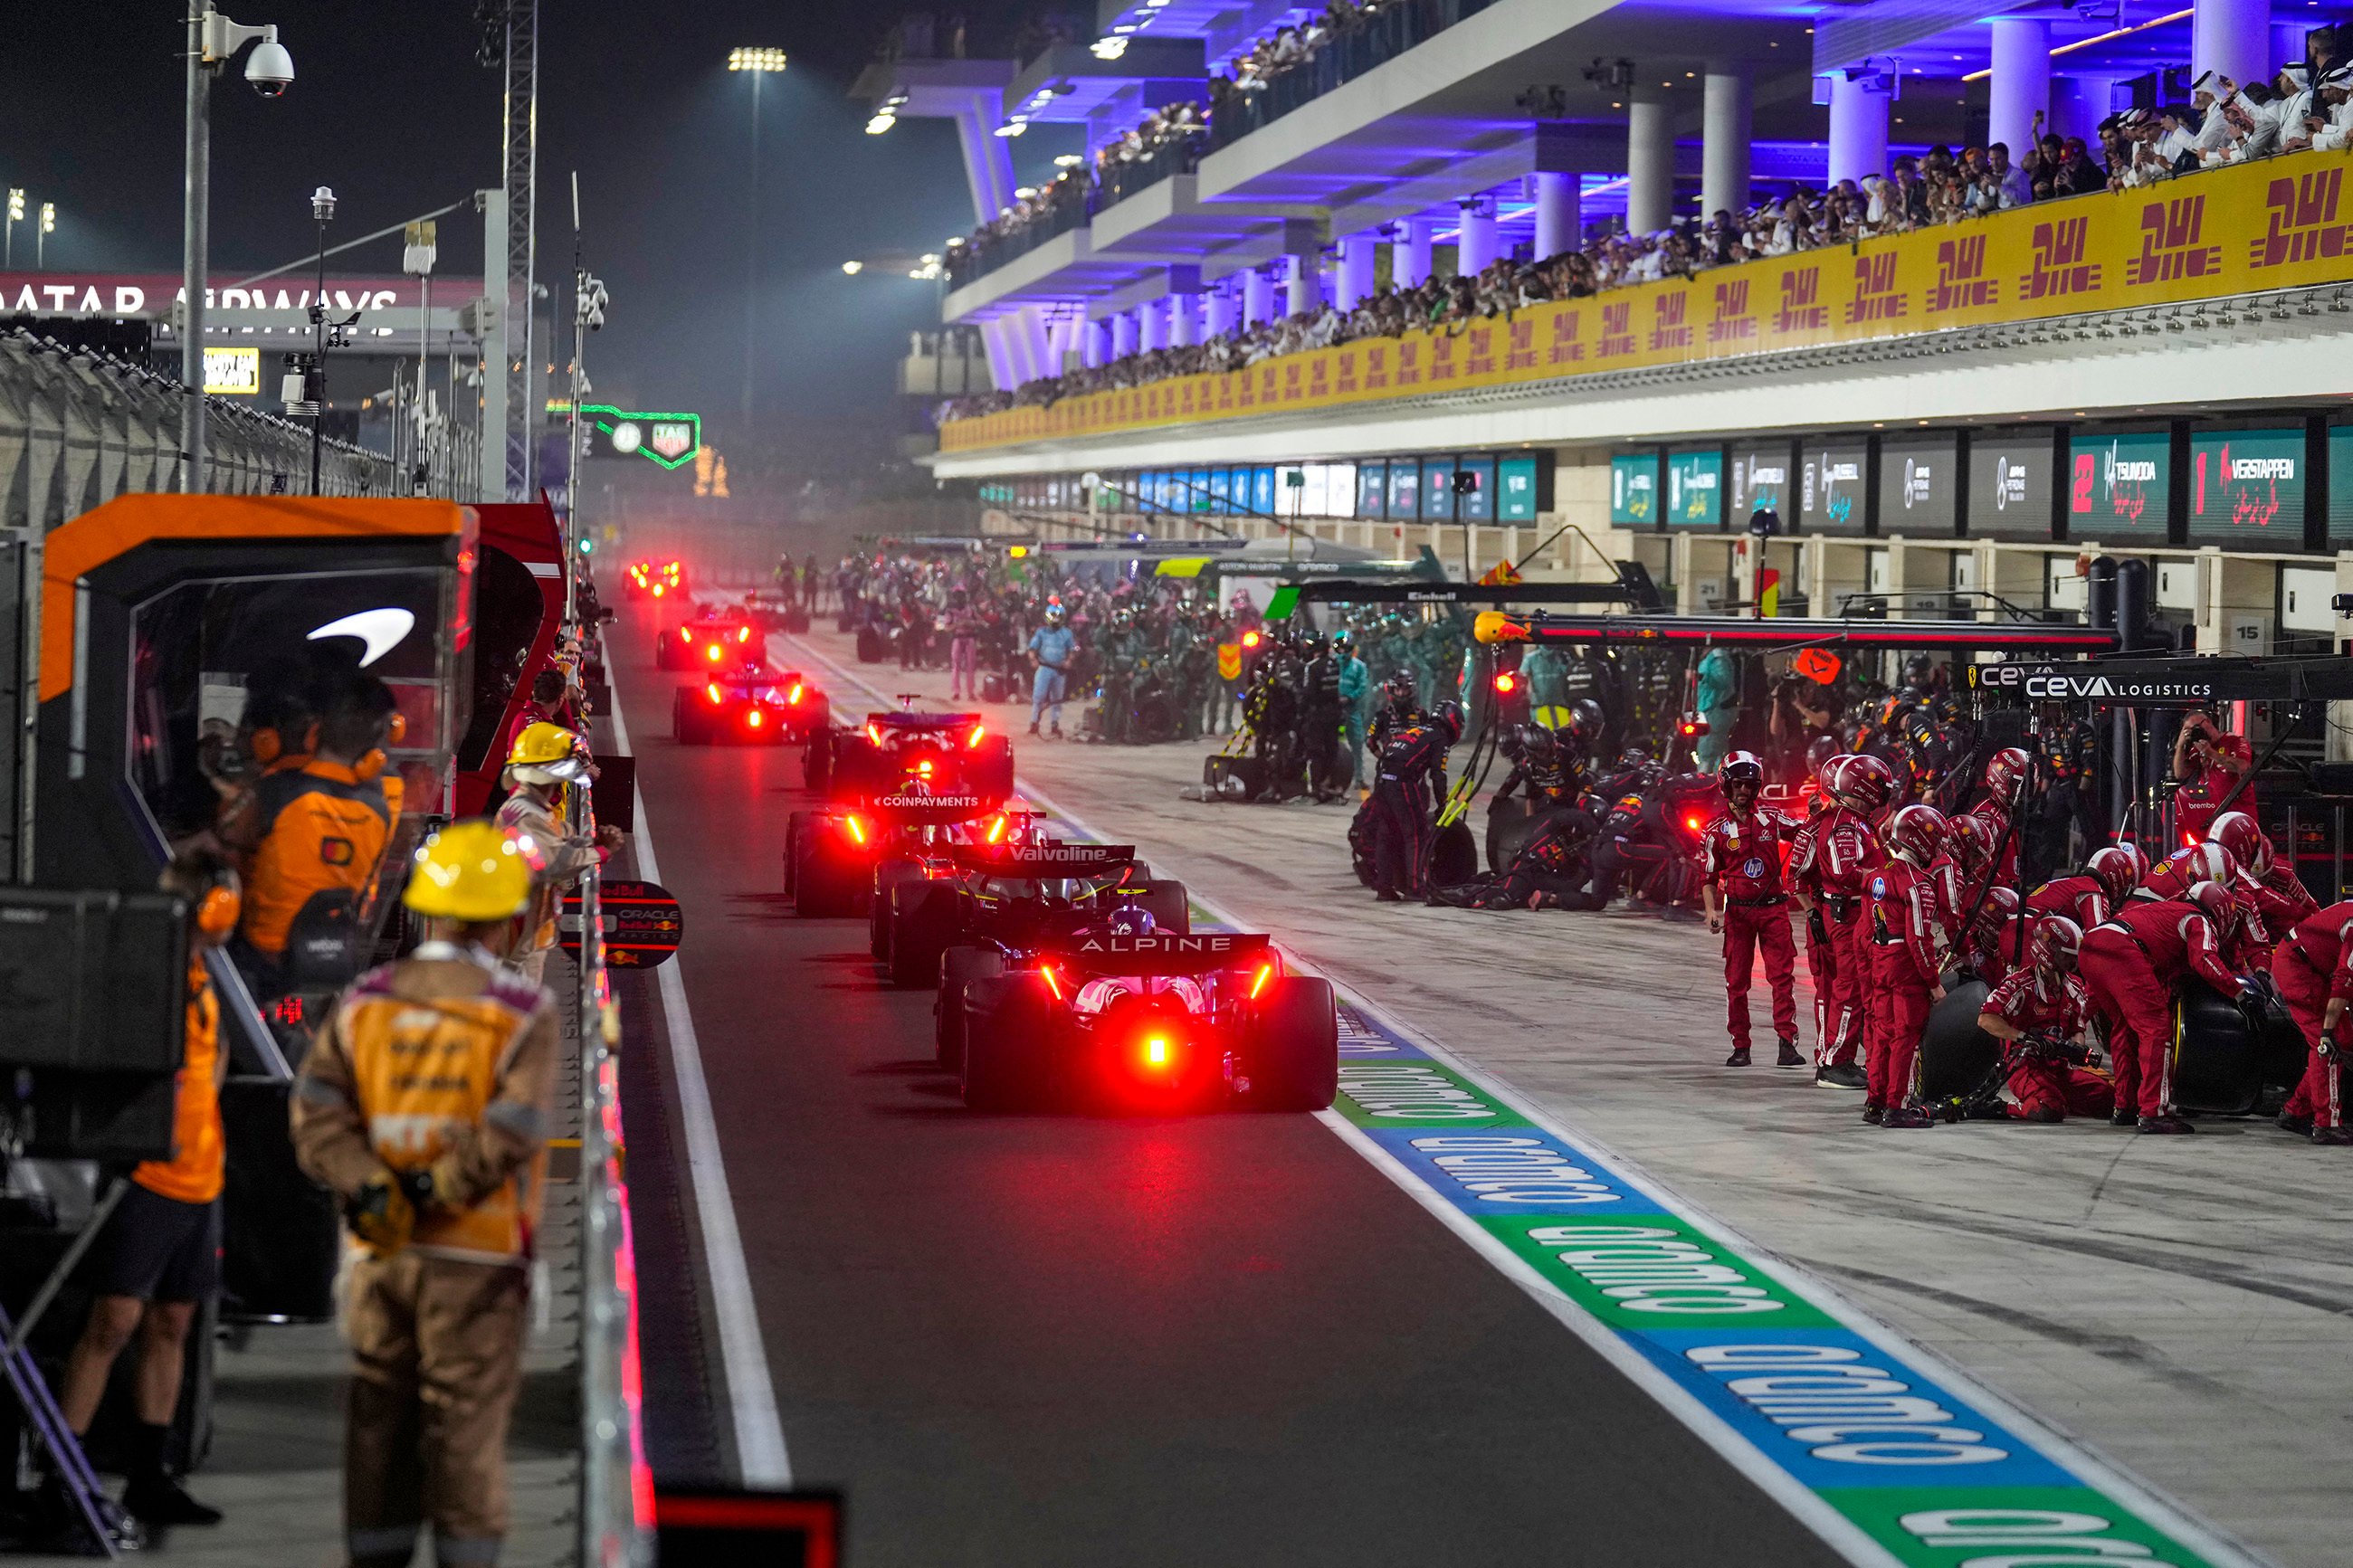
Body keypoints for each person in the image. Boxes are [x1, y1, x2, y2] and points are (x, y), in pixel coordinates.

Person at [291, 821, 559, 1568]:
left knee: (378, 1419)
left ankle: (373, 1557)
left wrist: (377, 1187)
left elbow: (316, 1115)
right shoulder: (520, 1013)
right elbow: (512, 1131)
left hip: (382, 1247)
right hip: (477, 1256)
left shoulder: (364, 1001)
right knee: (465, 1430)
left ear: (425, 908)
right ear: (508, 916)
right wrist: (434, 1186)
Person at [53, 850, 239, 1532]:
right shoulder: (145, 976)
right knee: (114, 1322)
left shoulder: (202, 975)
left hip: (201, 1177)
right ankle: (63, 1480)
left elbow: (213, 1056)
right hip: (149, 1176)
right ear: (207, 903)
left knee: (173, 1323)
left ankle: (148, 1476)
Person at [224, 670, 397, 998]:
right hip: (331, 961)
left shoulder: (274, 792)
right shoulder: (379, 811)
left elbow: (225, 846)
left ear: (314, 733)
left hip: (259, 962)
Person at [2079, 879, 2253, 1134]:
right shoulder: (2197, 919)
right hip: (2123, 950)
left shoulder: (2165, 912)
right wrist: (2239, 992)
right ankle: (2154, 1111)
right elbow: (2204, 959)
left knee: (2124, 1029)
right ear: (2223, 912)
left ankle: (2125, 1106)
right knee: (2157, 1030)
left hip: (2092, 945)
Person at [493, 723, 623, 985]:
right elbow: (555, 862)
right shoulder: (526, 814)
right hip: (517, 937)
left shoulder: (531, 808)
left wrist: (589, 843)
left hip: (525, 930)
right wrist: (601, 851)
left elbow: (561, 840)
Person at [1700, 752, 1802, 1069]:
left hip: (1775, 910)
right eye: (1738, 784)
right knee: (1736, 983)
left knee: (1782, 979)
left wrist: (1821, 814)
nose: (1744, 790)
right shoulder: (1714, 830)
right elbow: (1707, 877)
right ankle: (1740, 1046)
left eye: (1749, 785)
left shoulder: (1773, 817)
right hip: (1738, 915)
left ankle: (1787, 1044)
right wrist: (1710, 911)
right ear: (1726, 786)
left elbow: (1804, 831)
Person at [1975, 916, 2114, 1124]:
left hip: (2060, 1070)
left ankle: (2055, 1099)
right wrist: (2024, 1038)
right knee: (2049, 1110)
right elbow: (1986, 1019)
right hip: (2025, 1068)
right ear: (2050, 950)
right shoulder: (2020, 984)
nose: (2074, 962)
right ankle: (2005, 1107)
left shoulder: (2074, 986)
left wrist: (2076, 1049)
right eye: (2068, 956)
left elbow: (2078, 1028)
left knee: (2113, 1100)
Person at [1864, 803, 1948, 1127]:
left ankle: (1875, 1101)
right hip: (1905, 967)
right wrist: (1933, 982)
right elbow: (1919, 939)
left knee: (1882, 1034)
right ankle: (1894, 1106)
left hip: (1879, 960)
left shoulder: (1878, 875)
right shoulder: (1918, 884)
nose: (1939, 848)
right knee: (1905, 1037)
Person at [2271, 898, 2353, 1144]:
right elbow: (2343, 982)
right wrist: (2327, 1032)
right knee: (2329, 1043)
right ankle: (2327, 1125)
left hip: (2311, 965)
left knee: (2345, 1040)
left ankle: (2296, 1111)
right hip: (2298, 966)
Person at [1367, 699, 1460, 903]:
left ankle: (1384, 888)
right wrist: (1442, 803)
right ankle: (1416, 888)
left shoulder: (1417, 730)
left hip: (1382, 779)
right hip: (1401, 781)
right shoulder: (1439, 738)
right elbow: (1438, 774)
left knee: (1386, 834)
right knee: (1417, 835)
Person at [2171, 711, 2256, 839]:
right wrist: (2181, 745)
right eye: (2188, 730)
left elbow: (2243, 767)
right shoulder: (2197, 748)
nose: (2194, 732)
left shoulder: (2235, 741)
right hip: (2210, 817)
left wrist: (2211, 753)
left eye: (2196, 727)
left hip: (2237, 815)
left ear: (2208, 722)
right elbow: (2180, 773)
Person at [1028, 604, 1076, 738]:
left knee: (1057, 699)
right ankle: (1034, 722)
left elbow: (1072, 650)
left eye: (1058, 616)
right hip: (1044, 668)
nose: (1056, 619)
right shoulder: (1041, 632)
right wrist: (1033, 660)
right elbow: (1032, 648)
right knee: (1039, 696)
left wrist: (1069, 661)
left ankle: (1055, 724)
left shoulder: (1067, 633)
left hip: (1059, 670)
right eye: (1053, 616)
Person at [1693, 645, 1739, 773]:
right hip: (1710, 708)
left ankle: (1704, 779)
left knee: (1709, 748)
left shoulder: (1718, 658)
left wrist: (1700, 677)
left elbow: (1724, 680)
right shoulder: (1712, 658)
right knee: (1717, 748)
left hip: (1716, 709)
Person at [946, 592, 983, 702]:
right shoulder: (951, 611)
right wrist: (958, 624)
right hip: (957, 637)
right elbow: (946, 628)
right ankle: (956, 692)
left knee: (970, 666)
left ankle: (971, 692)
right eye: (958, 597)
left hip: (970, 638)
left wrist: (969, 623)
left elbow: (980, 621)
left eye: (962, 596)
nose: (960, 599)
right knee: (956, 665)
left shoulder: (971, 609)